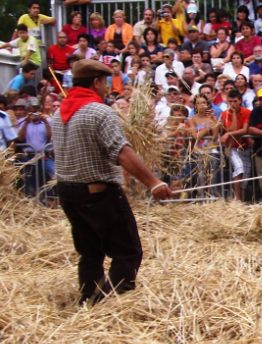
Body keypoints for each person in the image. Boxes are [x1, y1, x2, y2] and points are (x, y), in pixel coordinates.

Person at [51, 59, 172, 304]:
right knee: (128, 252)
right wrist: (153, 182)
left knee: (90, 252)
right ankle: (107, 305)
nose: (106, 88)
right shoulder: (99, 112)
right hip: (98, 193)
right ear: (96, 82)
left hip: (68, 192)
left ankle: (88, 298)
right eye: (104, 82)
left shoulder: (58, 113)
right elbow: (122, 152)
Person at [220, 89, 251, 200]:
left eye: (235, 101)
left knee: (245, 177)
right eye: (230, 102)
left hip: (246, 147)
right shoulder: (224, 114)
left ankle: (240, 201)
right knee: (239, 168)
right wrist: (232, 115)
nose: (232, 104)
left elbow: (244, 130)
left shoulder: (247, 112)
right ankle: (236, 199)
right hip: (232, 148)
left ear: (240, 101)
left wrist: (229, 133)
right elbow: (227, 129)